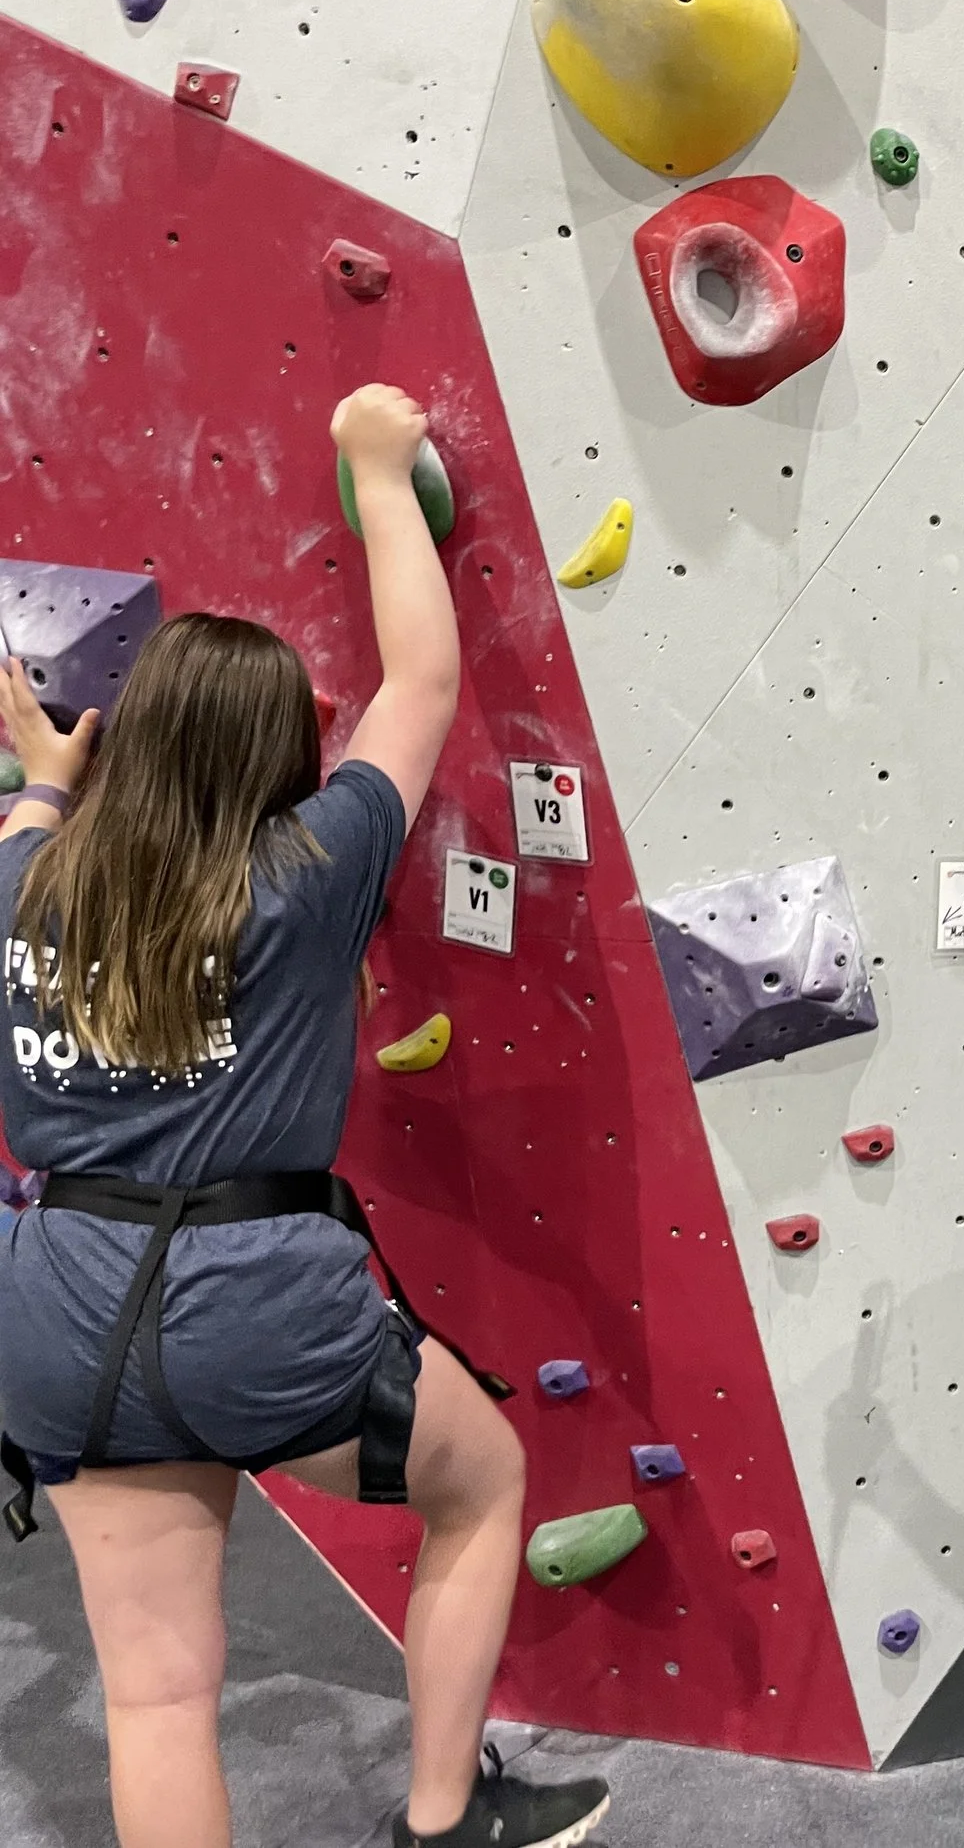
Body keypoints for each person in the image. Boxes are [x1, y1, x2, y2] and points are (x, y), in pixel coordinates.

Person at [0, 387, 610, 1848]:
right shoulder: (308, 867)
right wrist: (376, 466)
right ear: (284, 754)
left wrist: (43, 771)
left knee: (154, 1696)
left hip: (58, 1316)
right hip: (256, 1300)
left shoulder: (27, 879)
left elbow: (32, 818)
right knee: (487, 1480)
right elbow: (420, 682)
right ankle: (446, 1811)